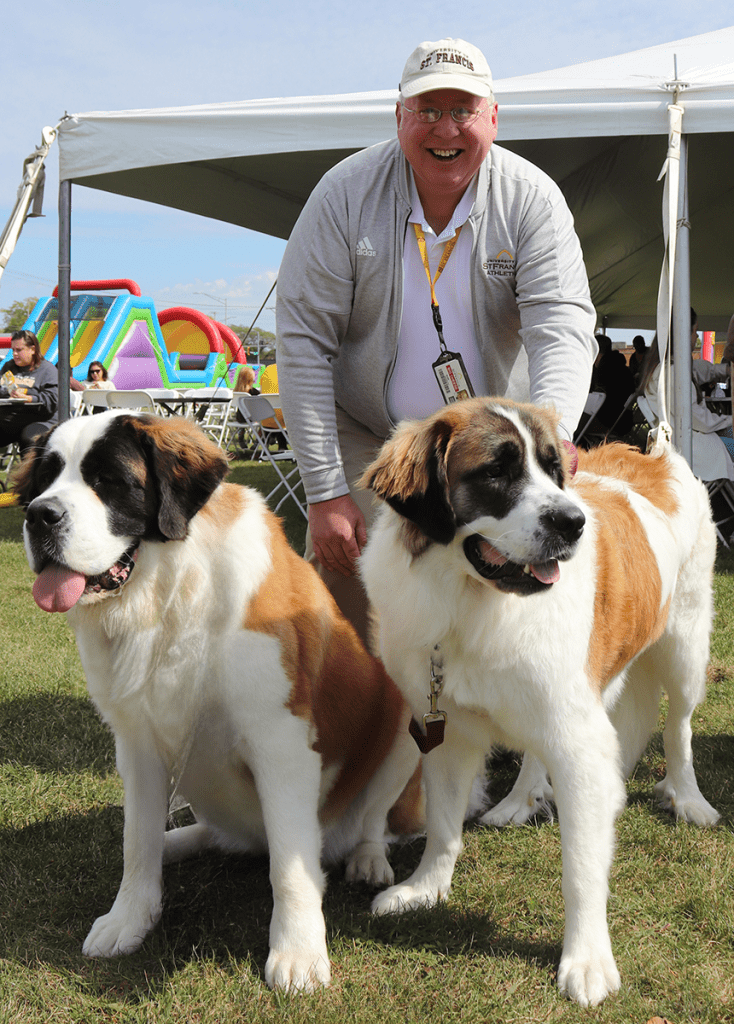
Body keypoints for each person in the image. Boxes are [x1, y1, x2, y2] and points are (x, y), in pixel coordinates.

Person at [276, 38, 597, 640]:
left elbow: (562, 325)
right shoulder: (342, 195)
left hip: (494, 442)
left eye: (463, 110)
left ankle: (489, 716)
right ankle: (360, 716)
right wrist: (323, 493)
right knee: (353, 589)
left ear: (493, 117)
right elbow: (302, 342)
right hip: (369, 435)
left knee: (505, 587)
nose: (444, 128)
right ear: (398, 117)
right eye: (426, 110)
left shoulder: (532, 199)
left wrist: (553, 432)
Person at [641, 309, 734, 481]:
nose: (697, 336)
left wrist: (726, 370)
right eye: (695, 330)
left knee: (729, 432)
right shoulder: (674, 371)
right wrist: (731, 419)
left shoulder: (664, 367)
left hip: (678, 443)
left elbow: (699, 370)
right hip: (692, 448)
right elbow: (701, 421)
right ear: (683, 332)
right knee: (730, 435)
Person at [0, 330, 58, 454]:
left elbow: (52, 400)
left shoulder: (47, 370)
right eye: (13, 350)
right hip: (10, 420)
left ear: (32, 349)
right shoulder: (8, 367)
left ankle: (31, 473)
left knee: (29, 438)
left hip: (40, 420)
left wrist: (28, 398)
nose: (14, 354)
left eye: (19, 350)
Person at [590, 334, 635, 435]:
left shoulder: (602, 372)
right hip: (625, 421)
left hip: (608, 423)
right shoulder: (623, 369)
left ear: (595, 350)